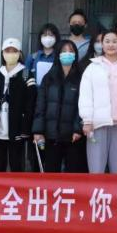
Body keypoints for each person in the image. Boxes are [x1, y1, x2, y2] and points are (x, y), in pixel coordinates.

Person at [79, 29, 117, 174]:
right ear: (102, 45)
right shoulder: (92, 68)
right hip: (97, 124)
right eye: (107, 41)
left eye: (115, 41)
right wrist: (87, 120)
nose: (111, 45)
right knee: (96, 169)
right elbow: (85, 96)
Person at [0, 38, 35, 172]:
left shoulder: (26, 74)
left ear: (19, 53)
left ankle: (16, 187)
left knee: (17, 167)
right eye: (7, 51)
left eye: (14, 51)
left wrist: (26, 129)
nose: (10, 54)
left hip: (17, 132)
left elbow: (31, 104)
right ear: (2, 53)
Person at [32, 40, 86, 173]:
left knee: (73, 174)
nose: (67, 54)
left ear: (75, 54)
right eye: (64, 51)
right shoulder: (48, 78)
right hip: (51, 135)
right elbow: (40, 106)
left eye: (70, 51)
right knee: (51, 173)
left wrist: (78, 129)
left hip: (73, 136)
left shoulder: (82, 78)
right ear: (58, 54)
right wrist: (38, 131)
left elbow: (84, 106)